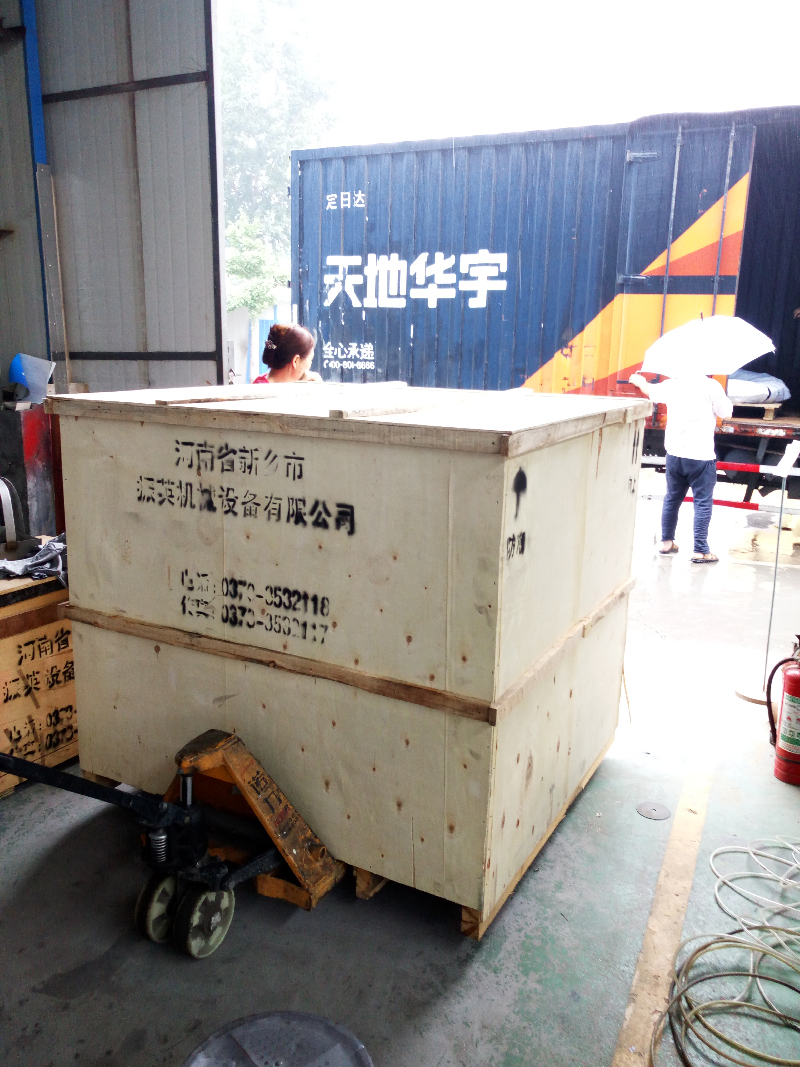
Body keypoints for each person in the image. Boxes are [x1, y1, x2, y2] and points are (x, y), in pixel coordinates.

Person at [629, 371, 733, 563]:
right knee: (702, 502)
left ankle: (666, 542)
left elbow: (650, 391)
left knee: (672, 498)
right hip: (701, 457)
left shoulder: (672, 385)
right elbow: (726, 413)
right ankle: (700, 550)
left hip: (675, 455)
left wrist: (640, 380)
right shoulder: (711, 386)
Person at [252, 324, 322, 384]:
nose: (310, 365)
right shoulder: (265, 392)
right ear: (296, 361)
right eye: (310, 359)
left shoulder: (261, 383)